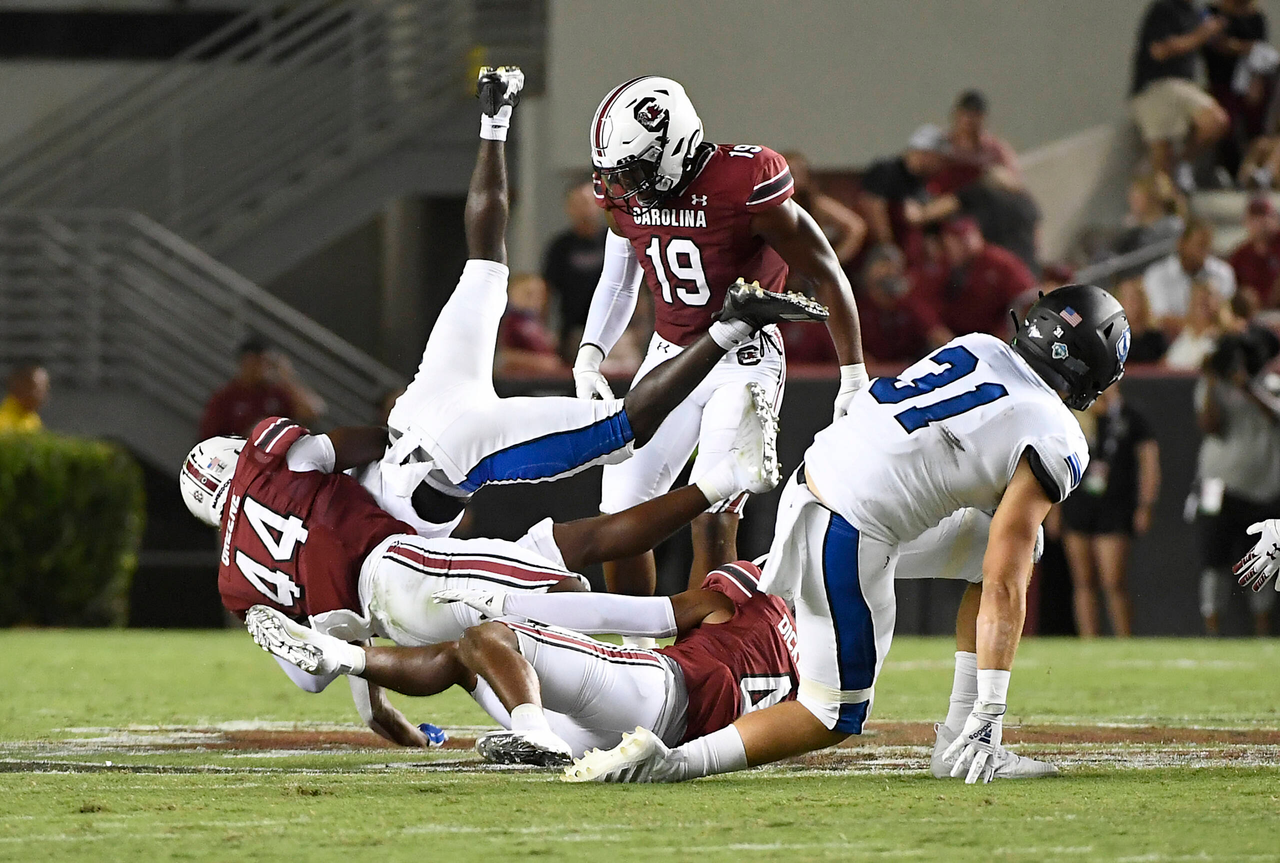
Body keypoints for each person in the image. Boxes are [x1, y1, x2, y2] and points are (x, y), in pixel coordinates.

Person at [564, 284, 1130, 786]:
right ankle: (670, 762)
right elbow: (1005, 583)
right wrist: (994, 707)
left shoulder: (978, 345)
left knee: (1004, 550)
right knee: (832, 713)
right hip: (850, 530)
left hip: (812, 486)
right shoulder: (1058, 434)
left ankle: (957, 740)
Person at [178, 376, 781, 747]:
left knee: (473, 650)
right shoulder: (274, 464)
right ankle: (677, 600)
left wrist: (379, 711)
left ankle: (557, 711)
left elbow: (312, 674)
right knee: (561, 578)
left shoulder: (237, 581)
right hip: (408, 564)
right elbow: (360, 442)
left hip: (385, 620)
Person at [355, 68, 827, 541]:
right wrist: (493, 129)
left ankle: (724, 463)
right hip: (417, 415)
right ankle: (494, 121)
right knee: (484, 263)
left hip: (463, 445)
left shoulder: (395, 572)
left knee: (618, 456)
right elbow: (325, 449)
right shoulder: (351, 517)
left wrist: (589, 357)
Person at [572, 75, 864, 598]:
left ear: (673, 145)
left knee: (711, 514)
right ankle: (637, 651)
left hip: (744, 358)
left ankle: (707, 657)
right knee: (620, 514)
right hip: (668, 357)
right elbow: (619, 277)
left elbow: (825, 271)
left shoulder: (745, 178)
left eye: (634, 169)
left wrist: (853, 376)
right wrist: (589, 356)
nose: (623, 186)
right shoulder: (625, 194)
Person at [244, 559, 799, 767]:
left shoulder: (753, 587)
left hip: (657, 694)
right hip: (658, 745)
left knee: (488, 637)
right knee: (468, 660)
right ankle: (341, 655)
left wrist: (530, 608)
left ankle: (535, 733)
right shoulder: (814, 664)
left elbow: (663, 613)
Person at [1195, 327, 1280, 635]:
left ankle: (1262, 630)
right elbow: (1209, 425)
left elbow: (1275, 414)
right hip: (1216, 486)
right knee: (1212, 561)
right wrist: (1211, 380)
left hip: (1264, 492)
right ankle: (1212, 630)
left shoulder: (1272, 384)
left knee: (1262, 564)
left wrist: (1248, 387)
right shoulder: (1214, 385)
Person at [1060, 386, 1161, 637]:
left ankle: (1123, 639)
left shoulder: (1130, 416)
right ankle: (1089, 642)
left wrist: (1145, 505)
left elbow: (1149, 462)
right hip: (1078, 502)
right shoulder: (1075, 413)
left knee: (1113, 580)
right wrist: (1053, 509)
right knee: (1082, 581)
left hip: (1115, 505)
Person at [1129, 0, 1230, 191]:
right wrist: (1201, 35)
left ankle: (1183, 165)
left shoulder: (1194, 12)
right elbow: (1159, 51)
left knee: (1215, 120)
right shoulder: (1164, 9)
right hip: (1157, 87)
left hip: (1185, 86)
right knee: (1161, 156)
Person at [903, 166, 1041, 272]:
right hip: (1028, 270)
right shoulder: (1027, 201)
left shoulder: (980, 191)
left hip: (995, 272)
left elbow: (924, 215)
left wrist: (911, 205)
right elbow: (1036, 244)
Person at [928, 216, 1037, 339]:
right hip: (953, 334)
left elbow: (1028, 297)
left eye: (966, 237)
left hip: (991, 338)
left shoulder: (999, 261)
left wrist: (1006, 335)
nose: (963, 244)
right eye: (956, 239)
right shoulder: (944, 264)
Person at [197, 337, 320, 439]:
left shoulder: (275, 393)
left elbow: (311, 412)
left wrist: (287, 376)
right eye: (257, 362)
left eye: (266, 362)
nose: (262, 367)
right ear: (244, 362)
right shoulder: (226, 397)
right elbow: (209, 436)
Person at [859, 124, 950, 256]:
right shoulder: (886, 170)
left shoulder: (924, 184)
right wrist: (888, 248)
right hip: (874, 251)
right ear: (925, 154)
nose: (941, 164)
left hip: (905, 253)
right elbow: (872, 206)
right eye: (939, 158)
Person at [542, 182, 608, 360]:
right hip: (573, 331)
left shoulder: (614, 241)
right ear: (568, 208)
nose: (583, 210)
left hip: (612, 327)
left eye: (587, 202)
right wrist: (544, 331)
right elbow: (547, 291)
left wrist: (638, 330)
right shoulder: (560, 246)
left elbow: (636, 287)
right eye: (577, 204)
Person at [855, 245, 952, 363]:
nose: (890, 271)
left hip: (908, 371)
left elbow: (939, 335)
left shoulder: (909, 304)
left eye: (895, 266)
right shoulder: (858, 307)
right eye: (883, 264)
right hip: (870, 373)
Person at [1142, 218, 1236, 330]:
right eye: (1200, 246)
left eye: (1208, 246)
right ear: (1182, 244)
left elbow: (1228, 317)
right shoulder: (1156, 275)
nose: (1205, 253)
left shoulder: (1223, 273)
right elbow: (1161, 319)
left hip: (1215, 339)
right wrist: (1199, 326)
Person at [930, 90, 1022, 197]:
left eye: (975, 115)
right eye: (965, 114)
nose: (969, 120)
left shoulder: (994, 149)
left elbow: (1015, 181)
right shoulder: (940, 143)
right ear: (956, 115)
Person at [783, 151, 867, 267]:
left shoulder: (815, 203)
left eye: (800, 172)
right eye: (791, 172)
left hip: (808, 269)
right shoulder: (771, 204)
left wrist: (833, 263)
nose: (796, 177)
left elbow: (856, 227)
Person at [495, 273, 566, 376]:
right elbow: (503, 356)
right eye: (529, 294)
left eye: (541, 294)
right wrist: (540, 363)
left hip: (540, 379)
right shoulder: (508, 322)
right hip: (517, 381)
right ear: (511, 294)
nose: (536, 299)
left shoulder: (536, 322)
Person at [1112, 173, 1187, 256]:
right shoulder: (1134, 231)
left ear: (1152, 198)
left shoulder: (1172, 225)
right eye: (1131, 197)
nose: (1131, 202)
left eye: (1137, 198)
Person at [1228, 196, 1280, 308]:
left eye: (1265, 216)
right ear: (1246, 222)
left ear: (1276, 219)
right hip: (1253, 317)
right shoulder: (1240, 255)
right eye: (1255, 218)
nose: (1261, 223)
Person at [1164, 281, 1231, 368]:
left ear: (1219, 301)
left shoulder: (1224, 338)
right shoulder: (1184, 333)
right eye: (1196, 298)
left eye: (1208, 296)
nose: (1201, 301)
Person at [1119, 277, 1171, 363]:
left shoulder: (1156, 338)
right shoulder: (1114, 340)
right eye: (1127, 299)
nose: (1131, 305)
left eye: (1135, 300)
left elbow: (1164, 367)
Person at [0, 365, 49, 432]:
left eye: (45, 389)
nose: (42, 396)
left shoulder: (33, 420)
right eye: (38, 390)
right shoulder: (3, 423)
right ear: (19, 387)